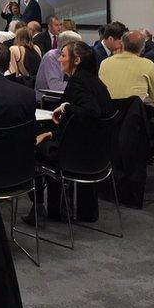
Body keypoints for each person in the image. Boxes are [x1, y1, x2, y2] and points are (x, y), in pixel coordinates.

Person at [32, 41, 114, 223]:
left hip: (77, 157)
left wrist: (66, 107)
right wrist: (53, 133)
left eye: (63, 56)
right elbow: (85, 124)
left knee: (34, 147)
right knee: (46, 138)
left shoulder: (77, 83)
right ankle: (63, 208)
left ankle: (41, 209)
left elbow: (91, 113)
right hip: (100, 156)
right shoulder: (97, 83)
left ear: (76, 60)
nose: (59, 60)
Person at [98, 30, 154, 105]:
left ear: (122, 44)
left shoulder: (105, 63)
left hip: (106, 114)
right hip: (132, 114)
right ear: (143, 48)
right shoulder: (148, 65)